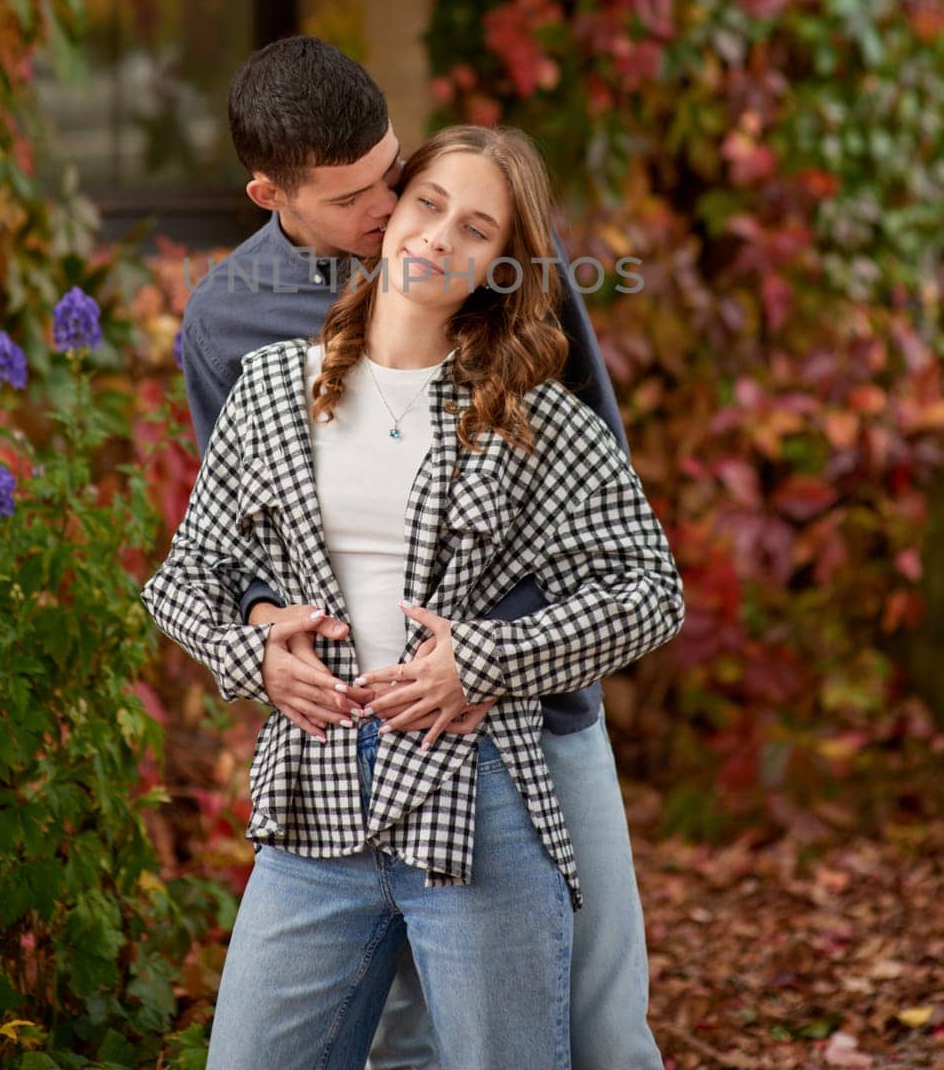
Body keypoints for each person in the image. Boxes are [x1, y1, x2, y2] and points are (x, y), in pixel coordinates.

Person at [144, 109, 684, 1069]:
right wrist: (256, 653)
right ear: (388, 220)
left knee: (564, 1041)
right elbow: (189, 578)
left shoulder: (533, 417)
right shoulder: (268, 383)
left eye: (476, 230)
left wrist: (486, 659)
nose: (438, 236)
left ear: (503, 267)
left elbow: (649, 590)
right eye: (426, 206)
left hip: (484, 783)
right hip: (315, 795)